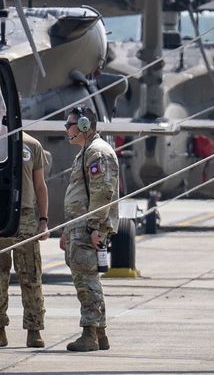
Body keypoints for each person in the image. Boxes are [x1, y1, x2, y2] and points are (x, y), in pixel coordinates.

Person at [0, 127, 52, 348]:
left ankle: (34, 330)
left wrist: (43, 220)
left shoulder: (32, 145)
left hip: (25, 217)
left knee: (30, 275)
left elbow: (40, 185)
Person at [58, 105, 119, 352]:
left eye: (69, 124)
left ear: (84, 125)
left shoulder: (97, 153)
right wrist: (66, 230)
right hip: (79, 227)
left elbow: (103, 192)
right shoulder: (87, 152)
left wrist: (94, 227)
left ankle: (90, 334)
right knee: (86, 277)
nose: (66, 129)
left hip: (87, 228)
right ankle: (100, 334)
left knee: (86, 280)